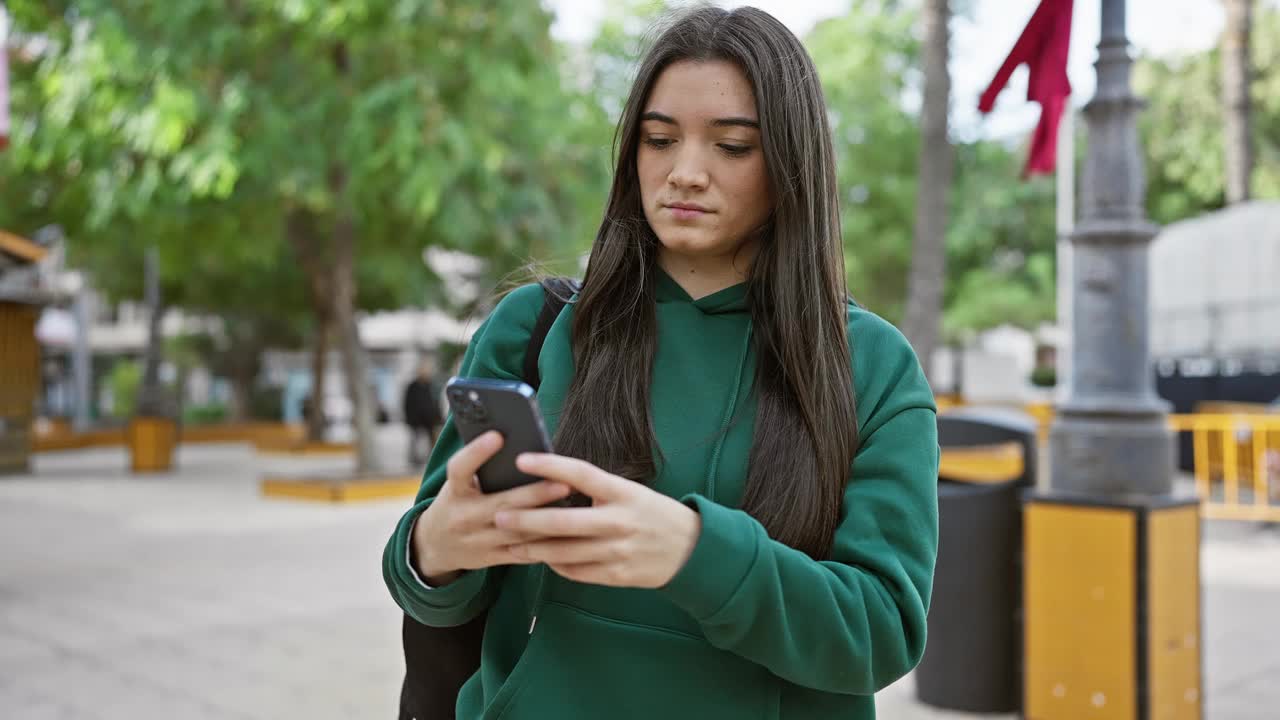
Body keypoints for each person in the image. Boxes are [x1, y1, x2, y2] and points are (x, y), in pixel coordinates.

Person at [383, 6, 939, 719]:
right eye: (658, 139)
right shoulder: (533, 328)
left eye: (732, 146)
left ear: (792, 163)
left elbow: (882, 631)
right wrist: (438, 543)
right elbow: (424, 577)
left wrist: (694, 553)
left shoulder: (872, 364)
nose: (684, 173)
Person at [402, 361, 443, 468]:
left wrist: (438, 418)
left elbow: (435, 402)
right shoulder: (412, 386)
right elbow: (407, 404)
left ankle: (432, 459)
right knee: (415, 440)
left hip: (429, 420)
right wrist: (409, 419)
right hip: (416, 420)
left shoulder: (431, 385)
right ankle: (414, 459)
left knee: (432, 440)